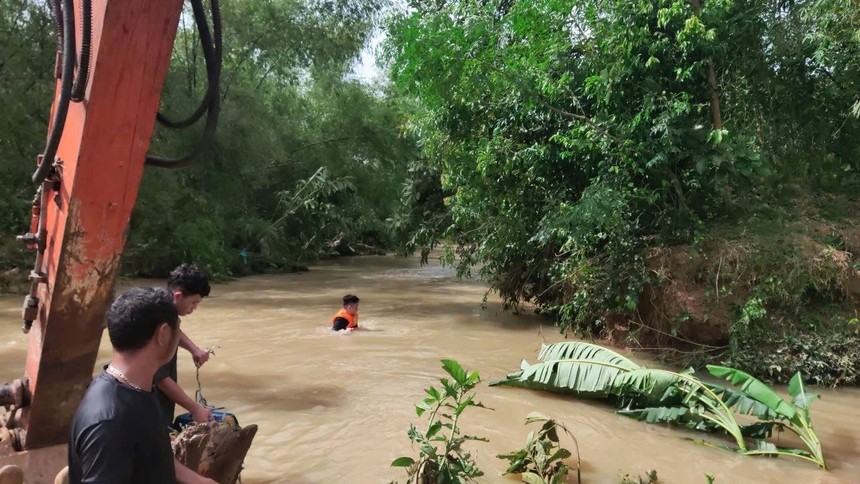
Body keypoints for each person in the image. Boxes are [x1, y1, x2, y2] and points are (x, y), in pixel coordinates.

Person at [68, 287, 216, 483]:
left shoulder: (139, 389)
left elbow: (149, 453)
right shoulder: (109, 421)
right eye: (176, 329)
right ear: (163, 334)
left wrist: (196, 480)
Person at [153, 263, 214, 427]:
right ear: (178, 296)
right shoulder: (160, 323)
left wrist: (194, 349)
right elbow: (161, 379)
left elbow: (175, 332)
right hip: (150, 407)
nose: (194, 308)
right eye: (193, 303)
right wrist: (195, 408)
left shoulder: (160, 306)